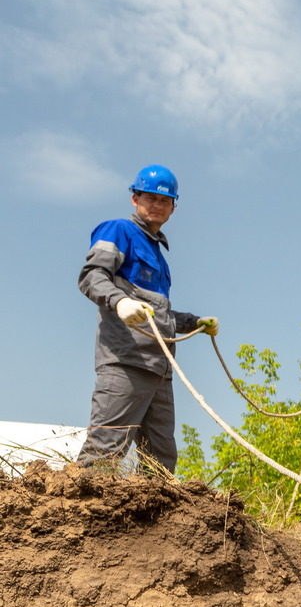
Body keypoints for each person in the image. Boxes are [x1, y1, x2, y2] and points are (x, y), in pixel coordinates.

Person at [77, 164, 218, 474]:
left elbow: (158, 313)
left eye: (164, 200)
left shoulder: (159, 255)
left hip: (159, 370)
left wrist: (195, 323)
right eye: (150, 197)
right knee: (105, 450)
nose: (157, 205)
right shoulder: (118, 230)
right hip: (126, 362)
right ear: (135, 198)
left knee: (160, 461)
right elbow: (92, 276)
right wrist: (120, 301)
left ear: (173, 207)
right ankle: (78, 516)